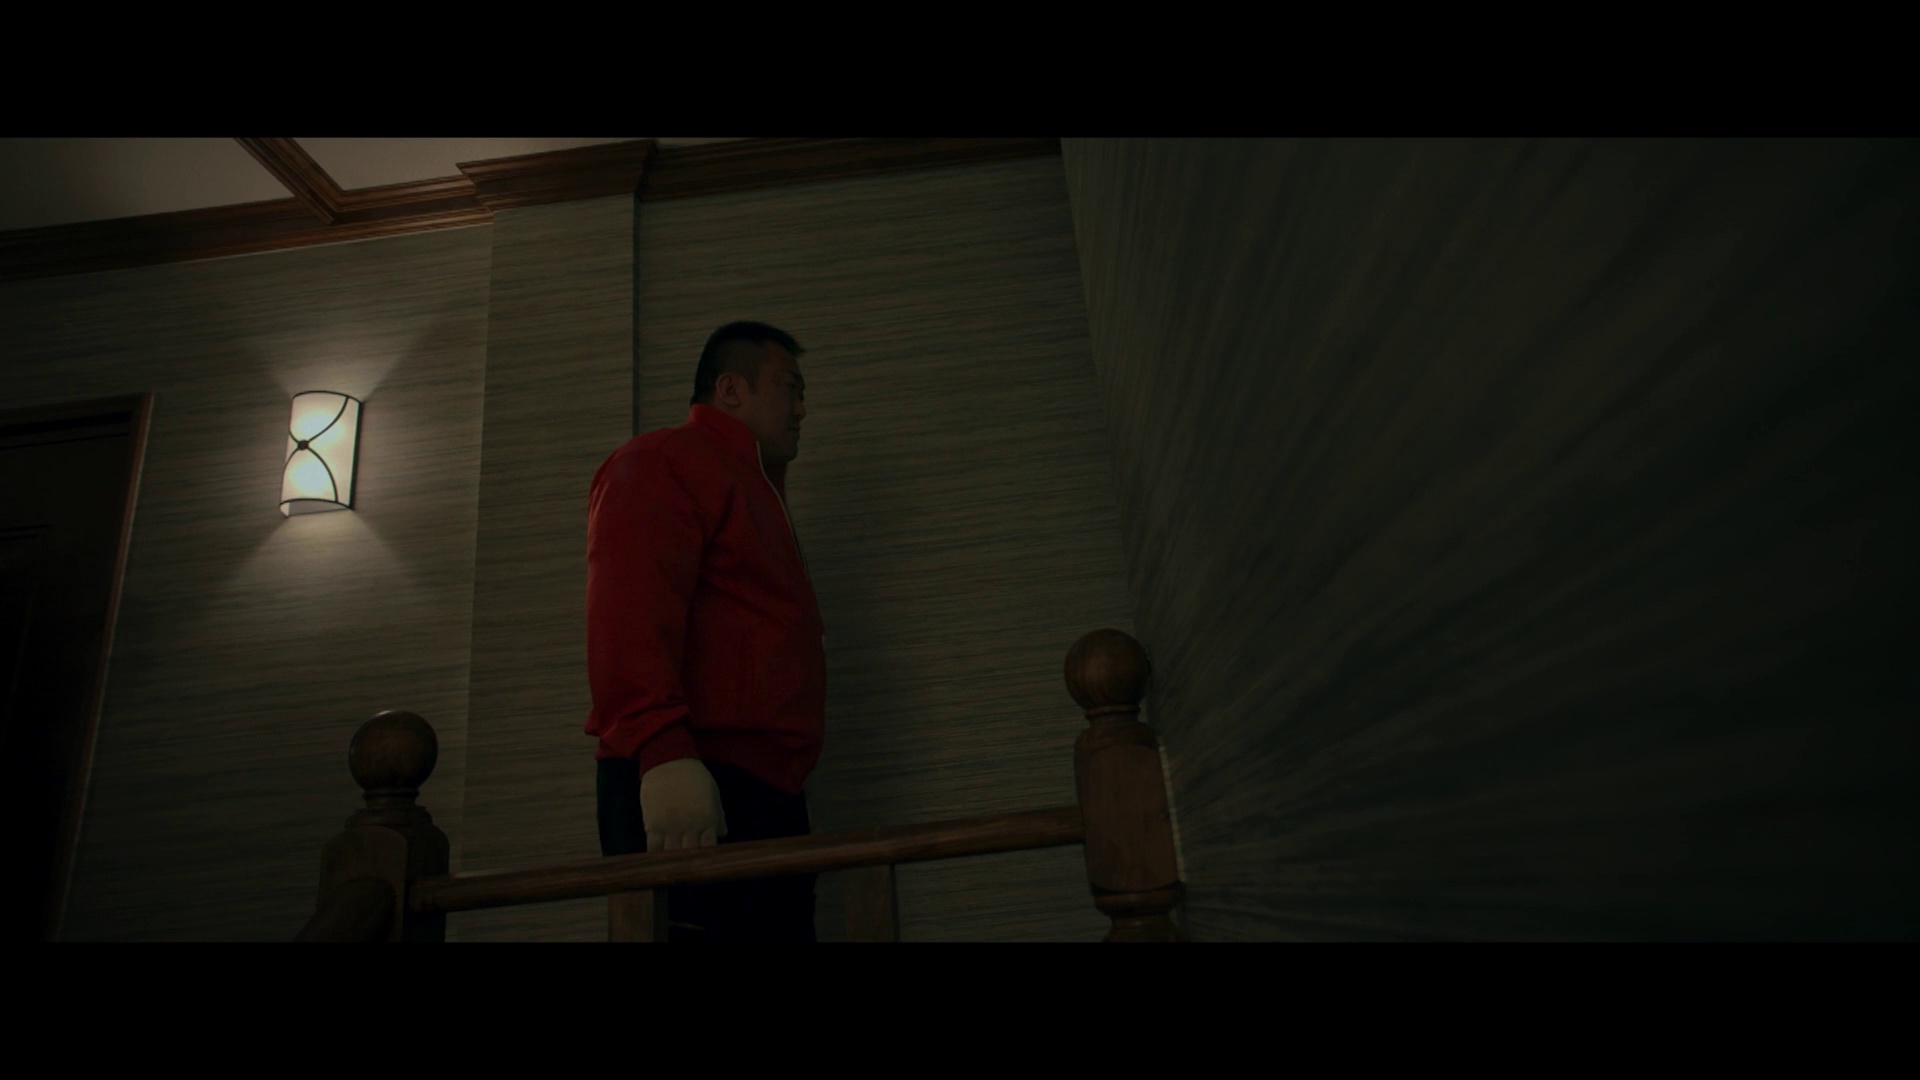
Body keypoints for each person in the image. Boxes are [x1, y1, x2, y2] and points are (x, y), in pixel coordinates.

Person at [585, 321, 823, 942]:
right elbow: (628, 615)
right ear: (731, 389)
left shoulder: (753, 486)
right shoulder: (664, 462)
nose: (802, 408)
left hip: (763, 790)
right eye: (791, 388)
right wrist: (662, 750)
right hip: (693, 773)